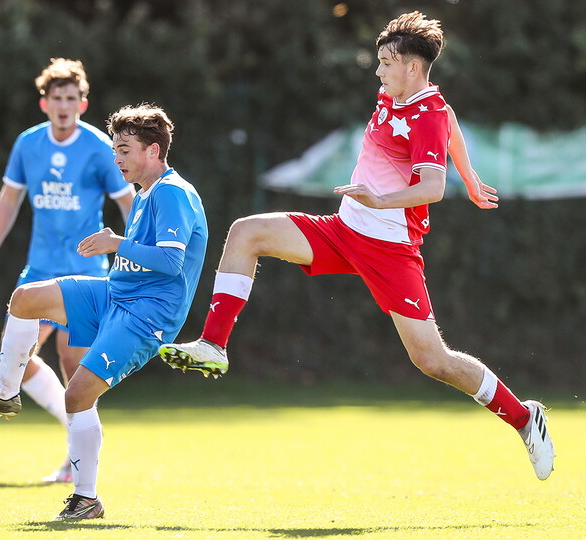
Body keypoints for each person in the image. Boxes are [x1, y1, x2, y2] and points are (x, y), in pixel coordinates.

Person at [158, 11, 554, 481]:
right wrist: (471, 176)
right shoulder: (400, 96)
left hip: (390, 251)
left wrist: (388, 197)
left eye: (386, 62)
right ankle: (214, 344)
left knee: (433, 361)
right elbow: (450, 118)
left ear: (412, 66)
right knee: (247, 231)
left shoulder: (423, 115)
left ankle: (526, 418)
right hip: (343, 232)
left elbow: (430, 185)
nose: (378, 71)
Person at [0, 104, 208, 519]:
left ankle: (86, 499)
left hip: (147, 315)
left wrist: (115, 243)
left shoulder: (173, 193)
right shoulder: (146, 193)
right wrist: (116, 245)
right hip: (114, 292)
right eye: (115, 150)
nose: (116, 158)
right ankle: (4, 391)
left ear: (153, 150)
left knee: (78, 394)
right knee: (24, 298)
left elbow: (172, 262)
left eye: (124, 150)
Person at [0, 58, 135, 483]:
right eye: (56, 98)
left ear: (83, 104)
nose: (63, 106)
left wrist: (137, 252)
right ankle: (72, 436)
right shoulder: (28, 144)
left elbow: (127, 203)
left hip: (87, 271)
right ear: (43, 103)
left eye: (71, 98)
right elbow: (8, 200)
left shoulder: (101, 147)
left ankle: (75, 461)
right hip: (39, 269)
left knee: (72, 362)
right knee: (17, 357)